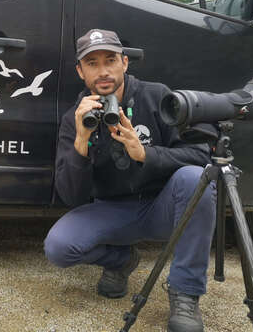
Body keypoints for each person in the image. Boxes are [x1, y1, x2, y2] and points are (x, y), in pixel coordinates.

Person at [44, 29, 216, 332]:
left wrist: (144, 153)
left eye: (110, 60)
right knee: (59, 246)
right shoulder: (76, 116)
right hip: (112, 213)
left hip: (162, 208)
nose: (104, 71)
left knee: (195, 177)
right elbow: (71, 197)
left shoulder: (157, 96)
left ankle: (185, 293)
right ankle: (120, 260)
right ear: (80, 71)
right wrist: (81, 142)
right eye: (93, 63)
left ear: (125, 62)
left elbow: (200, 155)